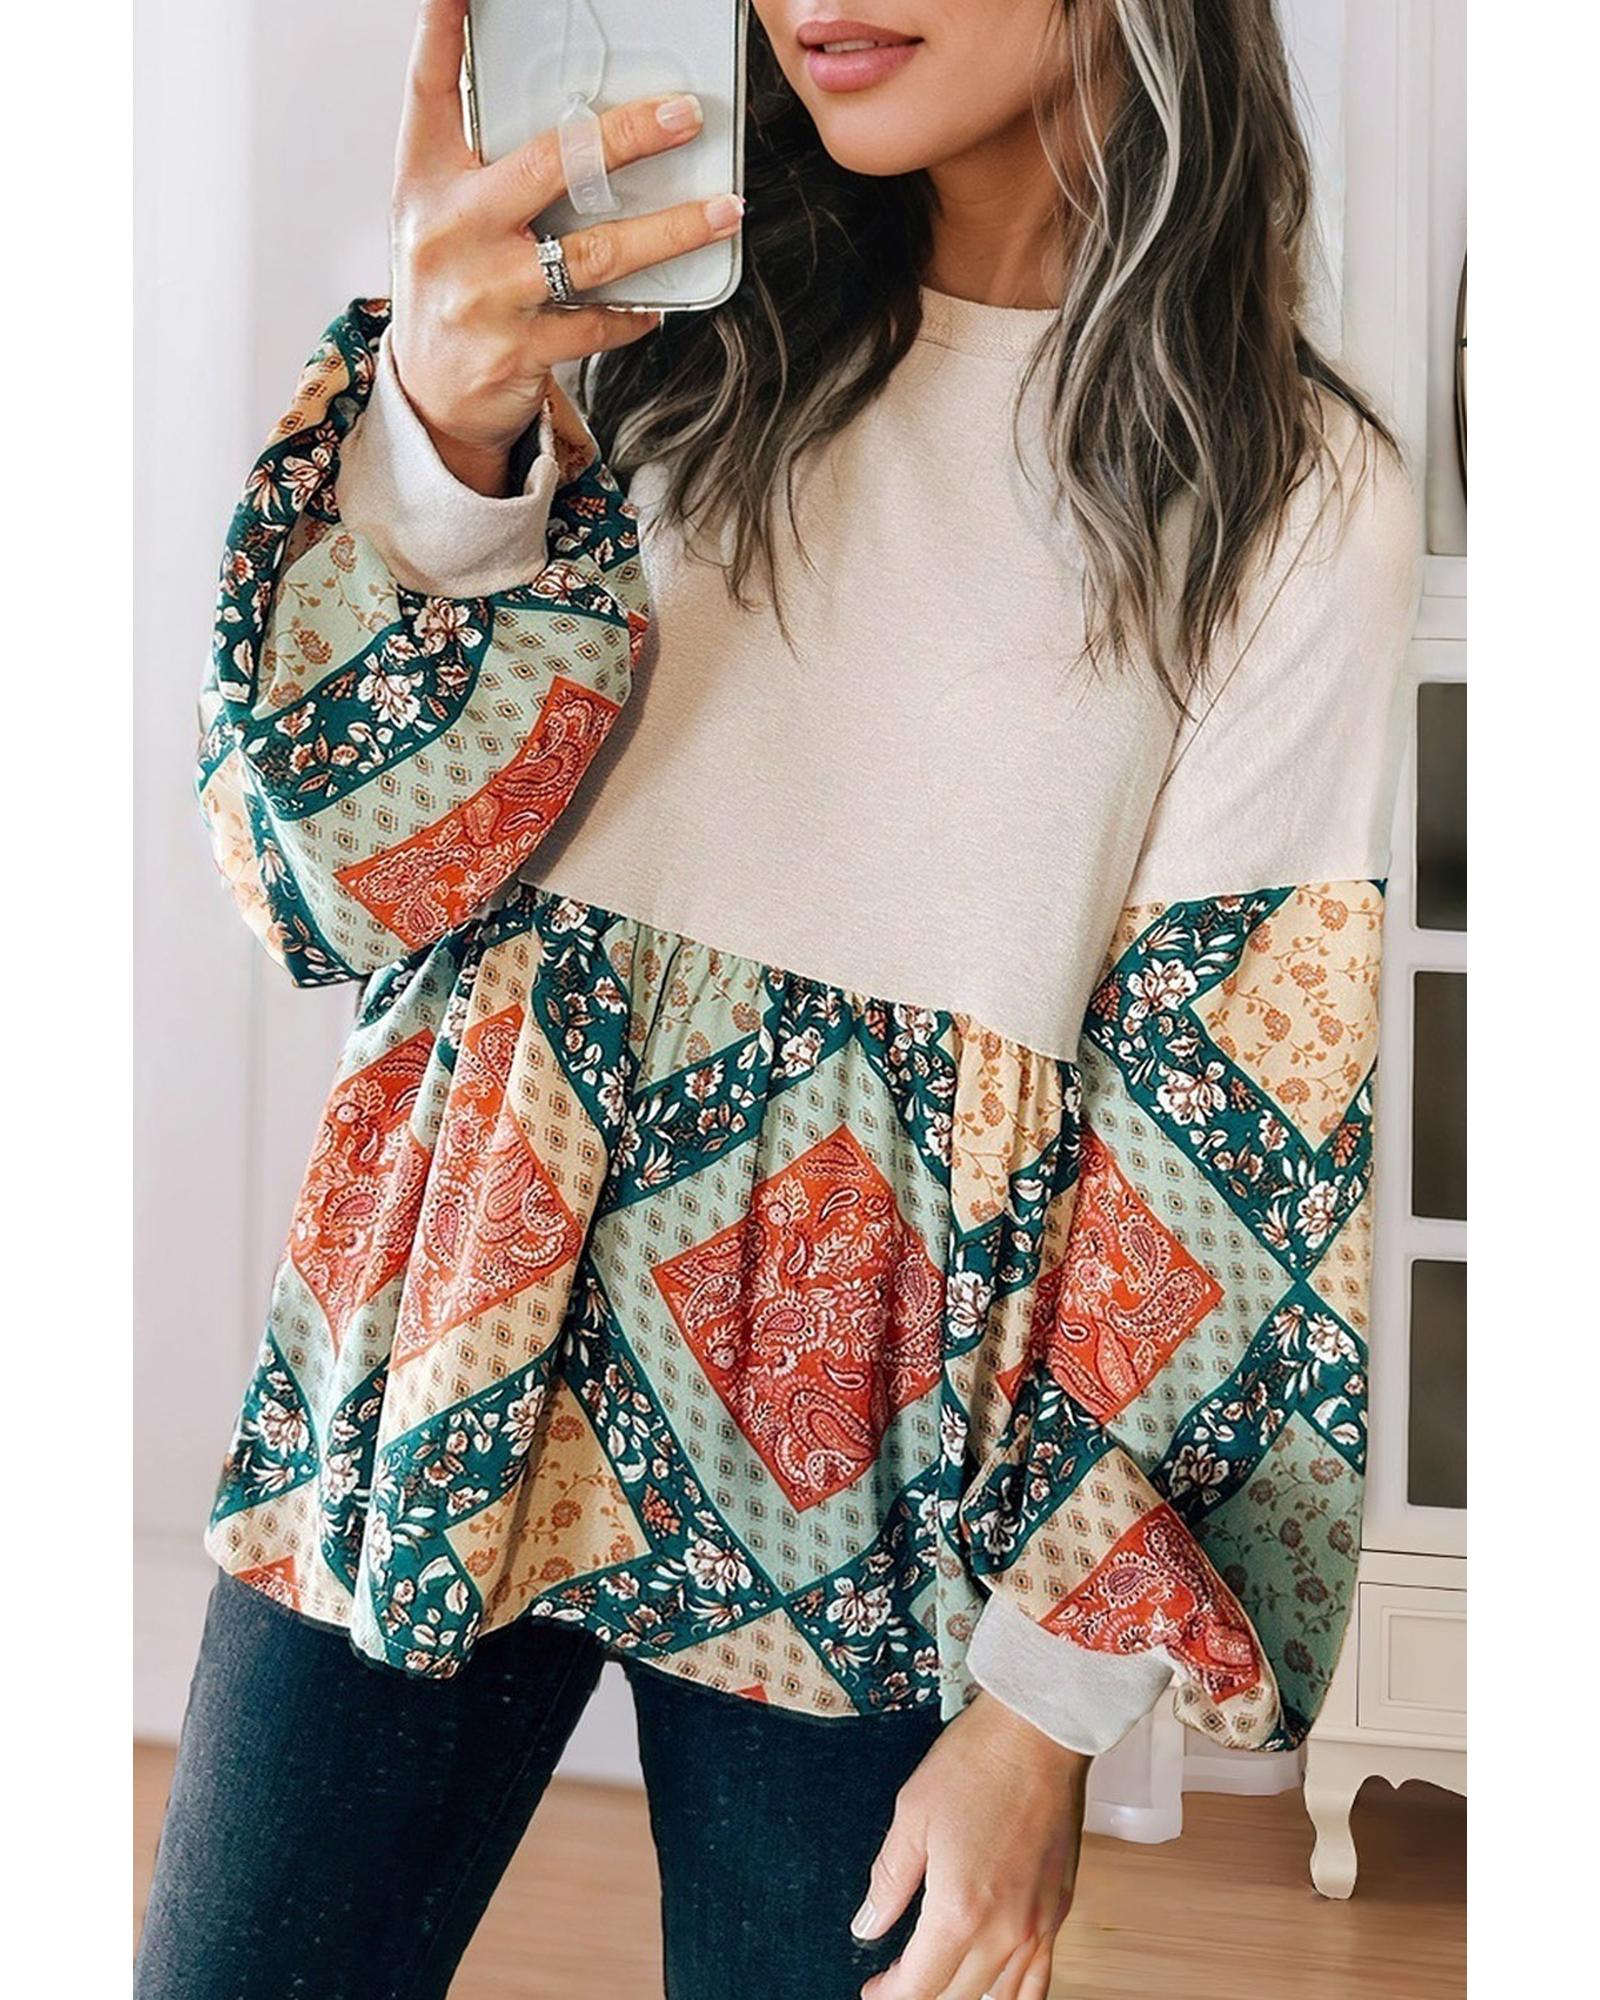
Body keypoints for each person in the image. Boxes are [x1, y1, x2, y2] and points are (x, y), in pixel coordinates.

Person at [135, 3, 1422, 1996]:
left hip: (885, 1454)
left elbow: (1225, 1127)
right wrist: (442, 429)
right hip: (456, 1298)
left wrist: (1045, 1711)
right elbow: (317, 878)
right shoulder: (629, 318)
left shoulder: (1286, 493)